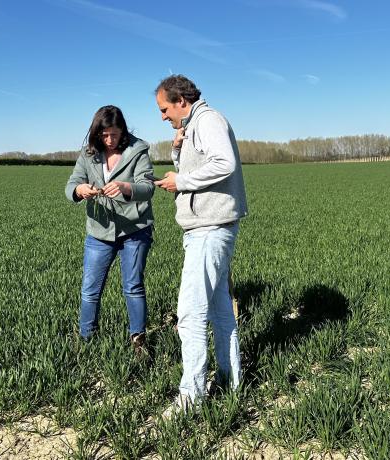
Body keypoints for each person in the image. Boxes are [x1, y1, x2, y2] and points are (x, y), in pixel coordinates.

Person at [153, 75, 248, 413]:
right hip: (208, 227)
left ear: (181, 100)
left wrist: (182, 181)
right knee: (222, 311)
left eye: (164, 109)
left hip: (210, 229)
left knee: (190, 315)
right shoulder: (194, 126)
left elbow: (224, 163)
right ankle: (230, 380)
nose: (163, 116)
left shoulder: (208, 121)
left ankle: (191, 397)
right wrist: (178, 152)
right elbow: (197, 166)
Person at [65, 105, 155, 352]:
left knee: (133, 285)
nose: (109, 140)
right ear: (96, 133)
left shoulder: (138, 150)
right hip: (99, 231)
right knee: (90, 288)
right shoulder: (88, 154)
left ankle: (138, 341)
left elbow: (148, 187)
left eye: (114, 134)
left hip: (134, 229)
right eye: (104, 135)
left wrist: (127, 188)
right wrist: (79, 190)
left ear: (122, 130)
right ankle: (86, 339)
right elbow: (71, 184)